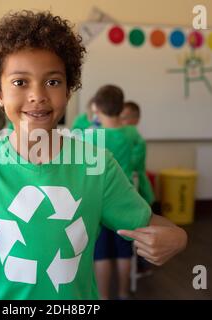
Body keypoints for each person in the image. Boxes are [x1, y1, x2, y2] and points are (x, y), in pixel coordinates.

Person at [0, 11, 187, 300]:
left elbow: (147, 223)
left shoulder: (97, 166)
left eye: (53, 82)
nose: (38, 95)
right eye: (20, 82)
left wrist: (179, 237)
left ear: (69, 90)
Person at [81, 85, 141, 299]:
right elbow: (137, 160)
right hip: (126, 198)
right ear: (121, 107)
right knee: (125, 250)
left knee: (102, 253)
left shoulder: (90, 136)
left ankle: (104, 297)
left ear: (96, 107)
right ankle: (124, 293)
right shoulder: (131, 132)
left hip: (99, 199)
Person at [120, 101, 155, 206]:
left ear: (136, 120)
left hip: (138, 189)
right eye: (120, 117)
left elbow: (131, 164)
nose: (121, 121)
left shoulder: (138, 141)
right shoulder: (123, 139)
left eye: (124, 118)